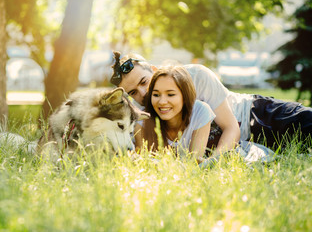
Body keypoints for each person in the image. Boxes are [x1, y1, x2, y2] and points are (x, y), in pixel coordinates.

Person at [110, 51, 312, 149]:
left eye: (144, 82)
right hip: (244, 145)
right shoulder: (142, 110)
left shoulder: (196, 76)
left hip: (254, 115)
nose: (143, 93)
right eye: (134, 92)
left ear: (154, 70)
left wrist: (213, 164)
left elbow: (231, 128)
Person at [134, 65, 215, 162]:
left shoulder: (200, 112)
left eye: (170, 94)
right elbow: (144, 164)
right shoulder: (142, 120)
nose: (162, 102)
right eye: (156, 95)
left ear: (185, 96)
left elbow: (195, 161)